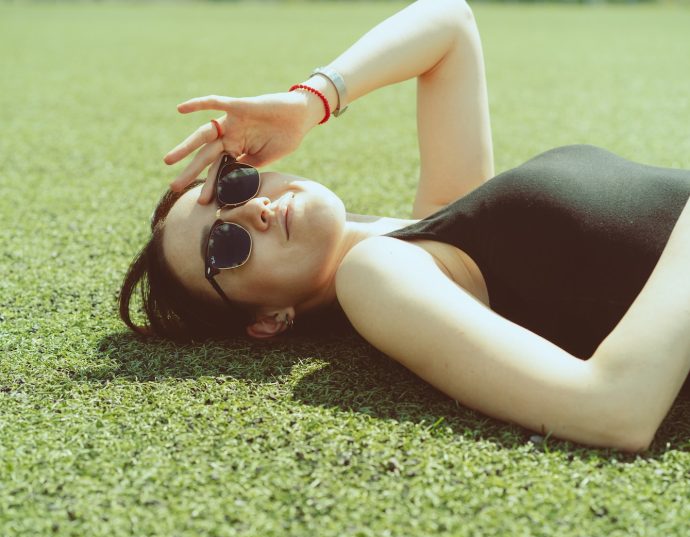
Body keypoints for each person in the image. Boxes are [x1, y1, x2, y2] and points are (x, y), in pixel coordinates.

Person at [119, 0, 690, 452]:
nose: (252, 210)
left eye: (233, 184)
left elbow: (449, 23)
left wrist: (309, 101)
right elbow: (615, 410)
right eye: (228, 243)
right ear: (269, 320)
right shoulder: (377, 274)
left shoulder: (442, 227)